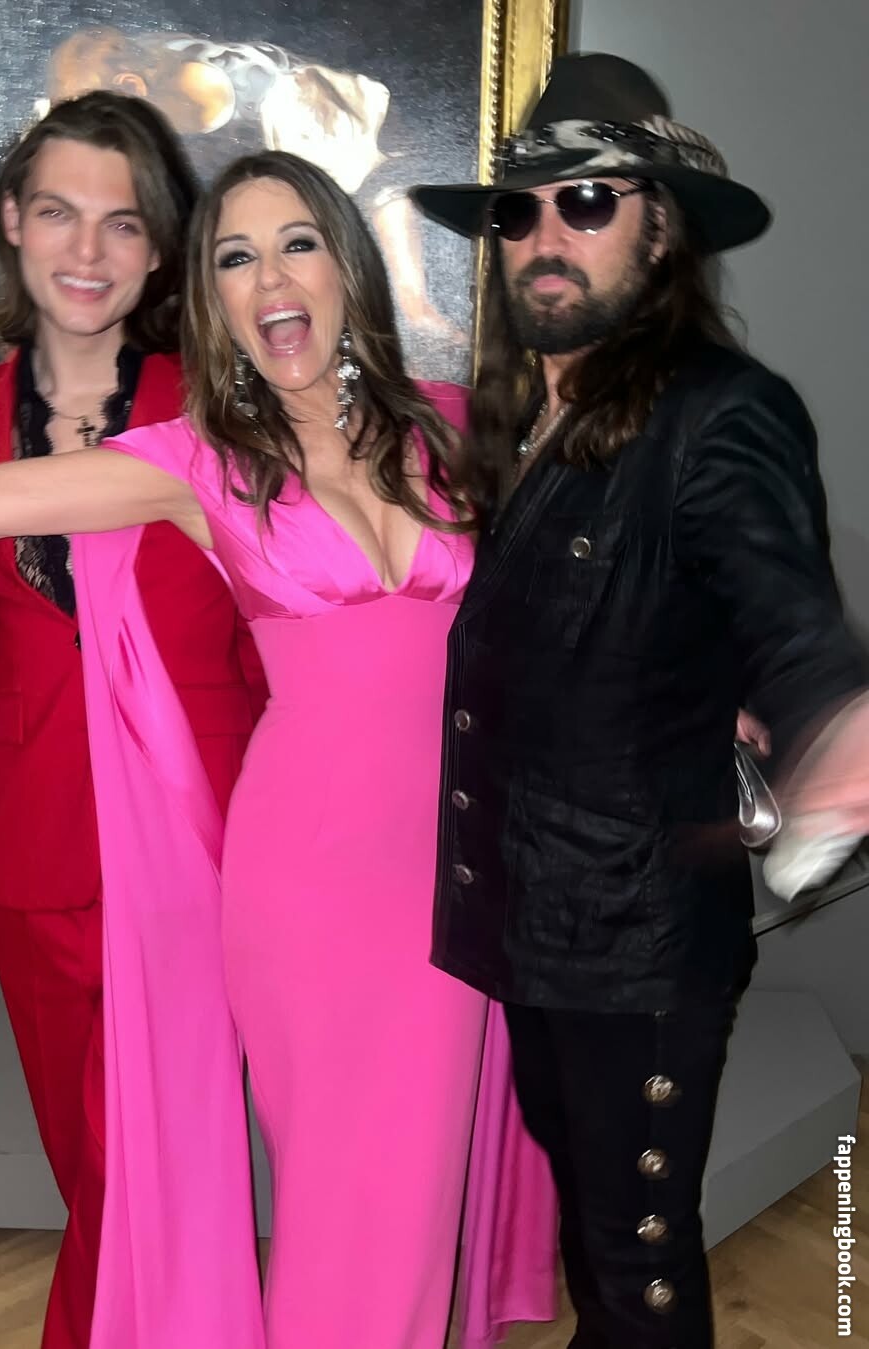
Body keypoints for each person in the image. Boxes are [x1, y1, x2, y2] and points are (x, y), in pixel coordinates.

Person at [0, 150, 557, 1348]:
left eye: (297, 243)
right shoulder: (199, 462)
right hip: (306, 887)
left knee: (413, 1203)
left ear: (346, 266)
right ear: (213, 299)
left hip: (456, 873)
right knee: (343, 1200)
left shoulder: (458, 427)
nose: (271, 279)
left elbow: (600, 569)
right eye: (236, 258)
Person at [411, 52, 869, 1349]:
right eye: (520, 211)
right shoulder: (525, 424)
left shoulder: (722, 412)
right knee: (595, 1225)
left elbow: (786, 610)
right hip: (538, 914)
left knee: (639, 1251)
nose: (545, 236)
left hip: (639, 937)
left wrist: (833, 724)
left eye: (588, 202)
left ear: (661, 231)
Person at [0, 91, 266, 1349]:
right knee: (80, 1140)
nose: (86, 250)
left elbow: (267, 629)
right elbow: (3, 628)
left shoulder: (227, 408)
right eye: (58, 212)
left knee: (146, 1139)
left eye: (122, 223)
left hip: (203, 828)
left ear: (160, 248)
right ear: (11, 220)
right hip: (37, 828)